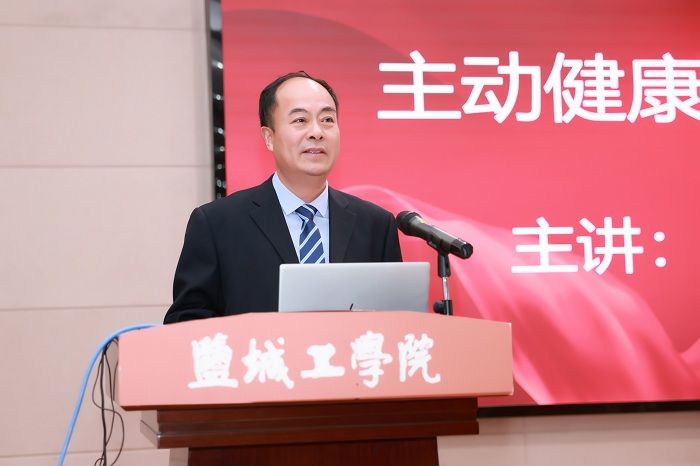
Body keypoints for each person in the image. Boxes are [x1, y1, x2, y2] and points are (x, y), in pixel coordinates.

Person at [164, 71, 402, 323]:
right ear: (269, 138)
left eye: (327, 119)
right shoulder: (217, 224)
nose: (317, 132)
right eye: (300, 120)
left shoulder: (376, 225)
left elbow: (399, 322)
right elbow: (187, 321)